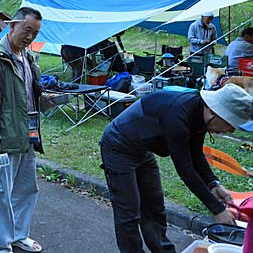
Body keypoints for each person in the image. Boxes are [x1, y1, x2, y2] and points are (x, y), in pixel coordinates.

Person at [100, 84, 253, 253]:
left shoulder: (199, 112)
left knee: (154, 207)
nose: (231, 129)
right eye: (230, 123)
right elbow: (185, 169)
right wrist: (216, 209)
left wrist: (214, 184)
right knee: (129, 213)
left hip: (143, 149)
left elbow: (196, 154)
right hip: (118, 146)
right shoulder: (178, 115)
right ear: (213, 111)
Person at [0, 7, 55, 253]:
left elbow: (29, 95)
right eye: (27, 30)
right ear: (12, 26)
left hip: (27, 135)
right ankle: (0, 245)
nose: (30, 36)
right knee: (1, 192)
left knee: (26, 189)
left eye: (35, 33)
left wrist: (45, 99)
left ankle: (19, 235)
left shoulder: (28, 58)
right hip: (4, 138)